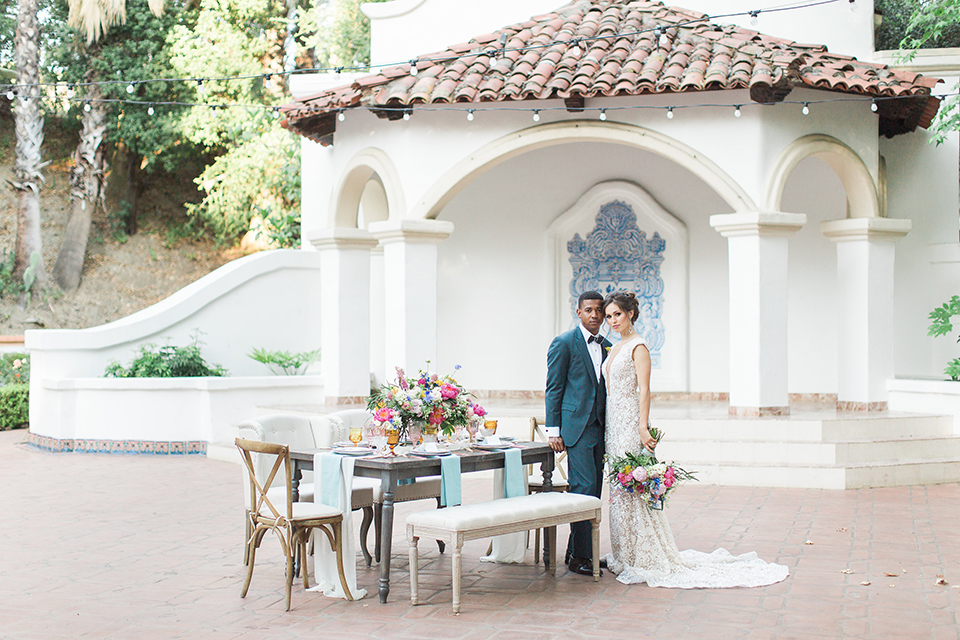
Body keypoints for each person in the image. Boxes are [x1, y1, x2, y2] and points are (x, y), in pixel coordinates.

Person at [601, 290, 789, 588]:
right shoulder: (614, 348)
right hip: (613, 425)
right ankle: (625, 552)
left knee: (632, 488)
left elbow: (645, 390)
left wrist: (642, 427)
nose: (612, 320)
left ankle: (645, 554)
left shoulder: (638, 346)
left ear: (631, 314)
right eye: (609, 316)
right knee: (617, 490)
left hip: (629, 425)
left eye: (617, 315)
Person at [545, 290, 612, 576]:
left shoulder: (608, 345)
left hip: (601, 426)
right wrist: (553, 429)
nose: (595, 315)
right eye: (589, 310)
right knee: (583, 491)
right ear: (579, 312)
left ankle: (577, 550)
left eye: (599, 311)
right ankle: (582, 557)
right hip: (576, 428)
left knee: (593, 491)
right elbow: (554, 387)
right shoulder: (564, 343)